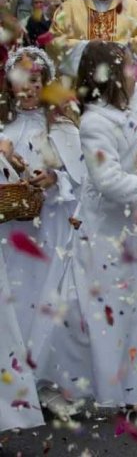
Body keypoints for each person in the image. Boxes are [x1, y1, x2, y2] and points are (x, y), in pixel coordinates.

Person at [41, 41, 137, 414]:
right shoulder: (94, 123)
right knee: (105, 312)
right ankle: (83, 389)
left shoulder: (134, 98)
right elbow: (107, 180)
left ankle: (132, 392)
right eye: (124, 67)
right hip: (105, 233)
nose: (132, 72)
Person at [0, 47, 85, 419]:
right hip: (13, 234)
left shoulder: (62, 126)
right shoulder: (3, 126)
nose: (28, 88)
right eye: (21, 81)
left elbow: (81, 178)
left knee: (50, 303)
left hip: (50, 228)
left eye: (35, 81)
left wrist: (55, 177)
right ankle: (17, 384)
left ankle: (49, 381)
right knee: (17, 303)